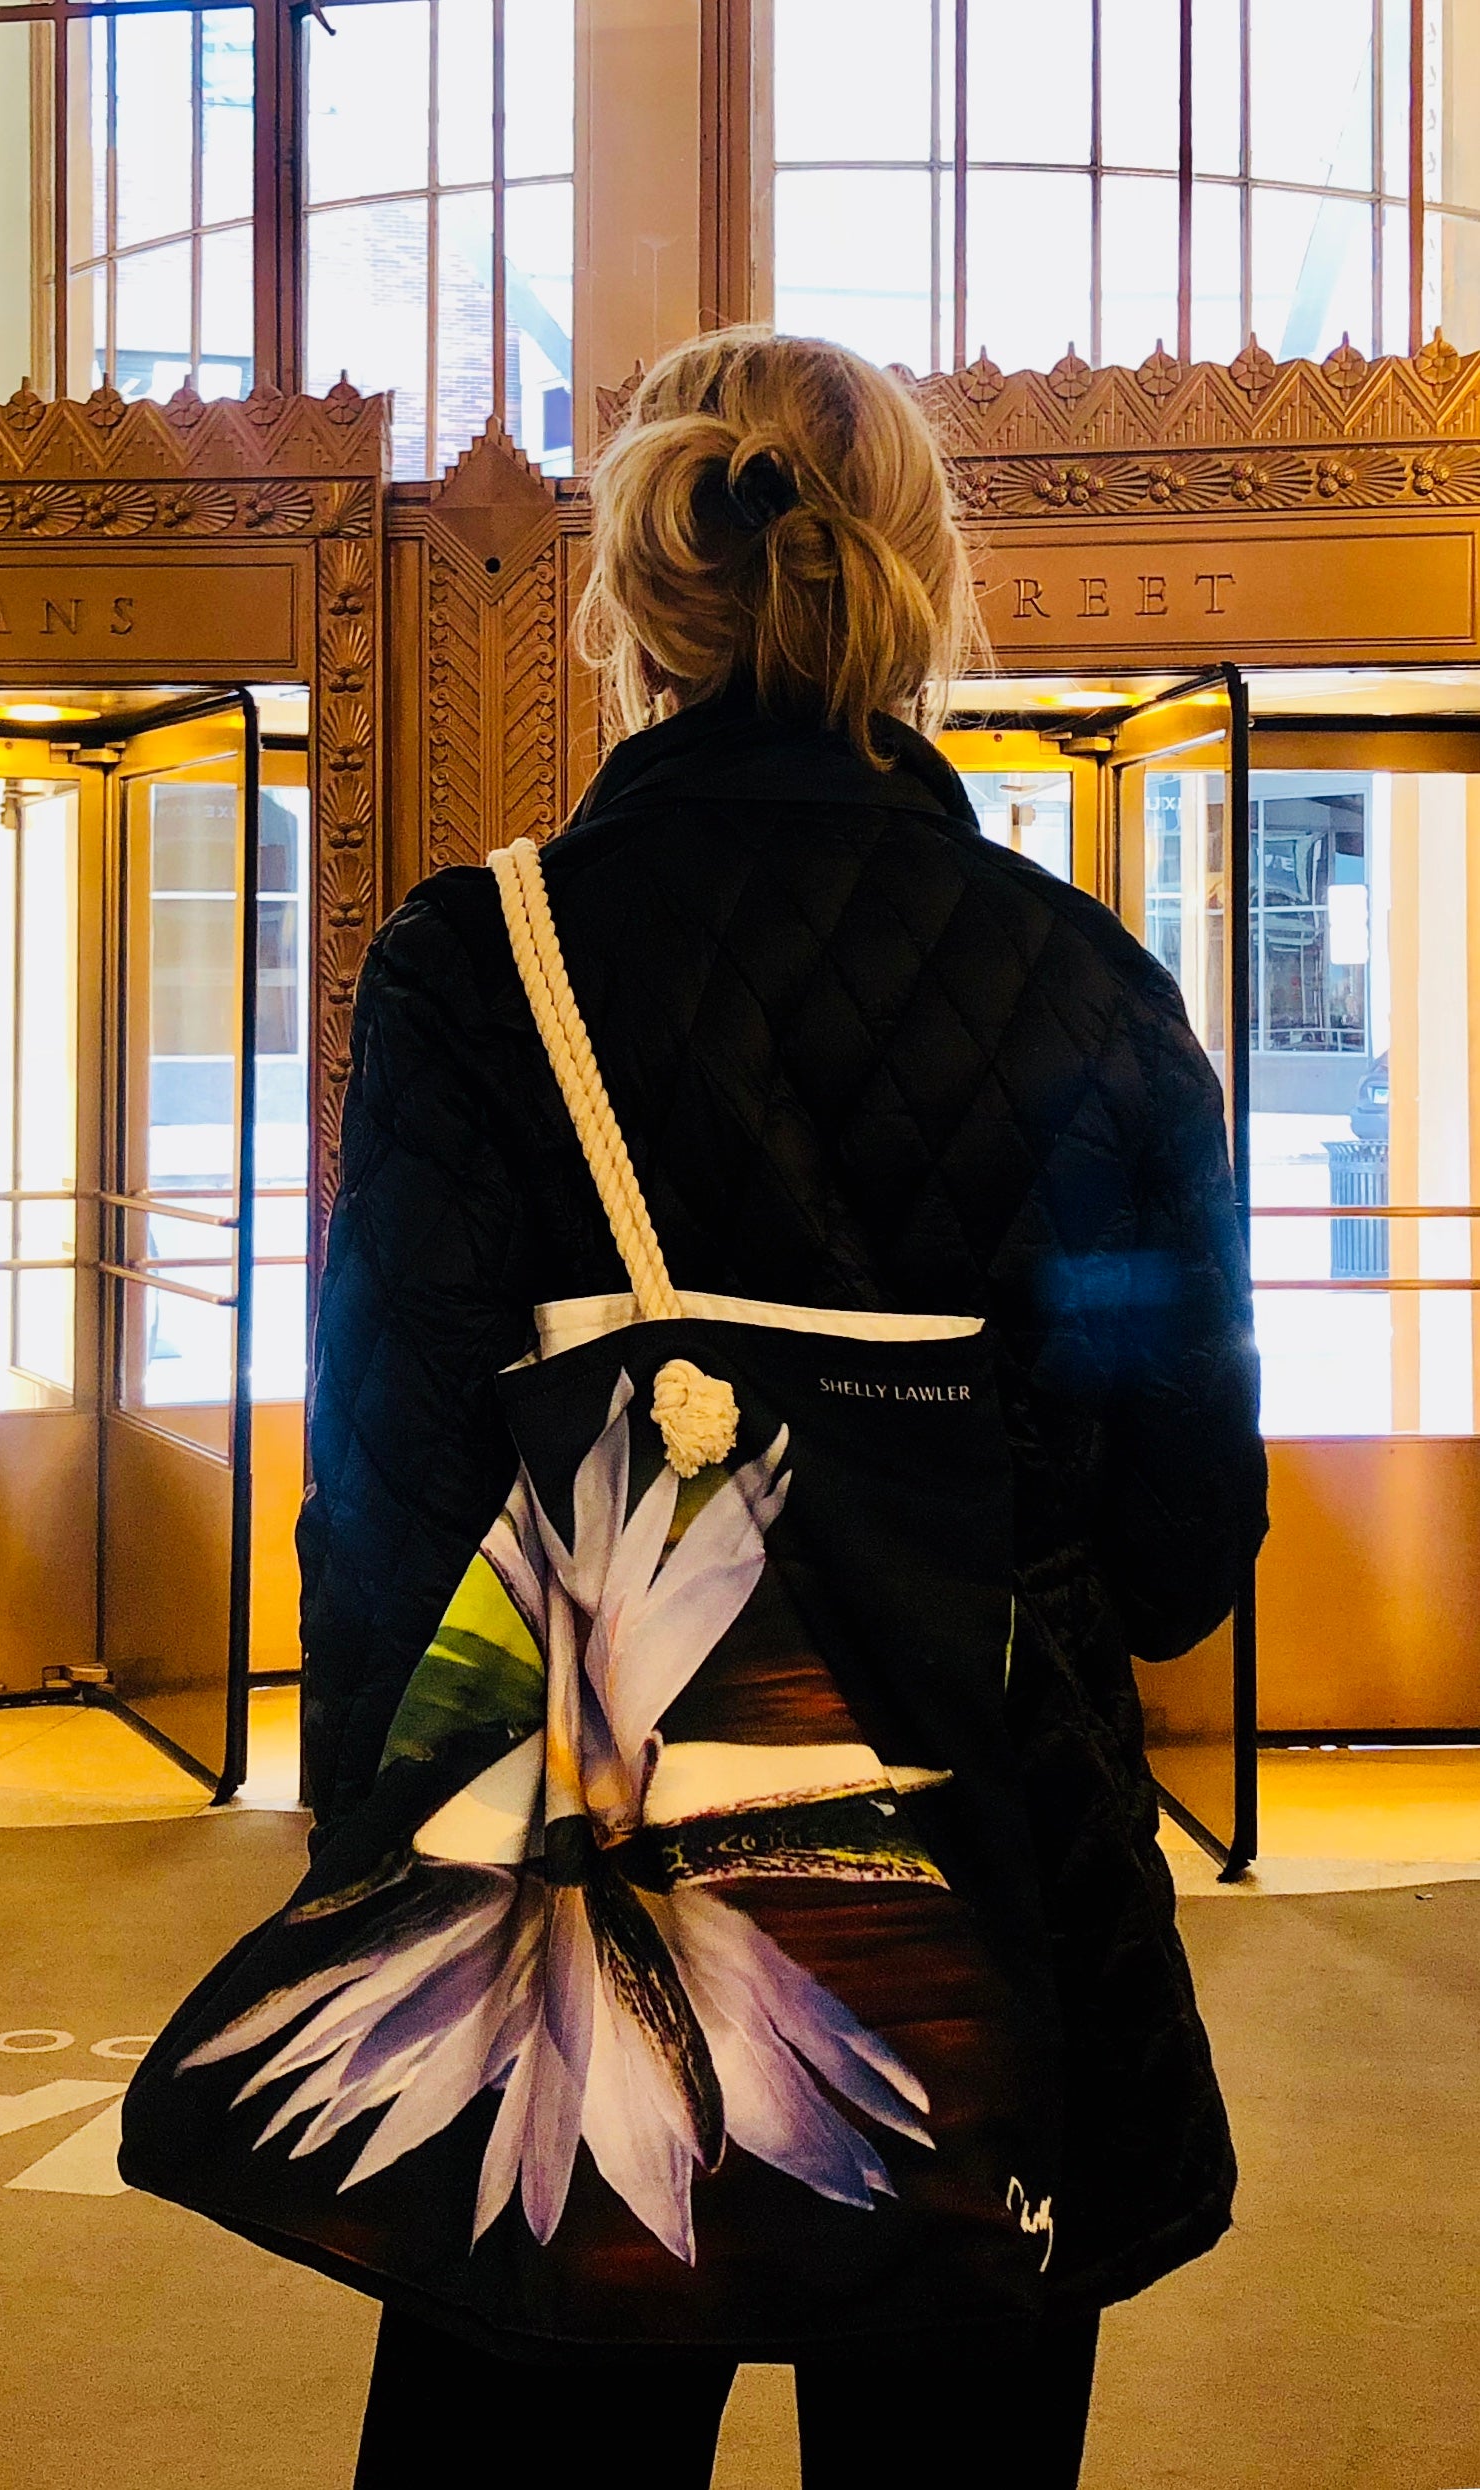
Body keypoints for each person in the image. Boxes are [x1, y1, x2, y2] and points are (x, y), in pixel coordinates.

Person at [297, 327, 1268, 2488]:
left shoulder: (477, 964)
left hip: (575, 1907)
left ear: (635, 602)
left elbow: (388, 1501)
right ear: (920, 587)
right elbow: (1180, 1556)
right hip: (989, 1923)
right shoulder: (1093, 991)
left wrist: (370, 1867)